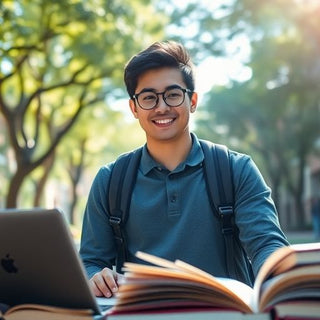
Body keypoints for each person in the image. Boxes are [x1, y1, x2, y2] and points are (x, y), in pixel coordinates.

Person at [79, 40, 289, 298]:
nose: (162, 107)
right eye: (148, 98)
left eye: (173, 94)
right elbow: (90, 261)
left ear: (193, 101)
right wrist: (96, 276)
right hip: (140, 314)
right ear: (134, 108)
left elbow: (266, 245)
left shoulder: (236, 170)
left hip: (225, 314)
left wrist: (277, 276)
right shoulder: (110, 180)